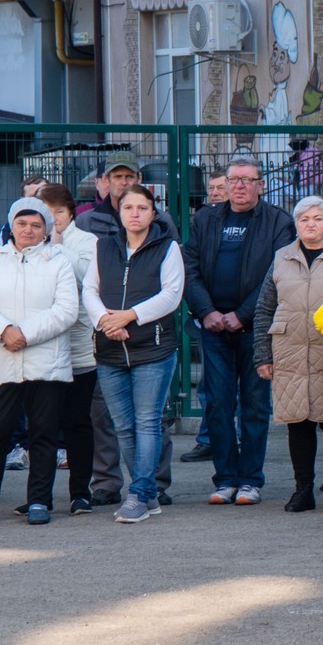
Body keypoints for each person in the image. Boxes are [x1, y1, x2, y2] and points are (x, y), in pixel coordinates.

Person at [186, 157, 294, 506]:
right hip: (213, 327)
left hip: (256, 327)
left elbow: (276, 273)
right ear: (226, 183)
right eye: (234, 179)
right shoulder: (205, 218)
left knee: (255, 404)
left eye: (248, 180)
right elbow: (189, 268)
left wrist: (243, 314)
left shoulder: (278, 221)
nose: (240, 186)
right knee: (217, 404)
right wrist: (207, 311)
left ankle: (250, 480)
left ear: (261, 184)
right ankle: (225, 479)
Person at [0, 198, 78, 525]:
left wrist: (24, 333)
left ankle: (39, 500)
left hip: (46, 362)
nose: (28, 230)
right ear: (11, 225)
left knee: (43, 431)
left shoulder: (58, 261)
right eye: (22, 223)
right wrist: (4, 331)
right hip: (3, 360)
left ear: (46, 230)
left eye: (36, 225)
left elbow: (66, 310)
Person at [84, 184, 184, 525]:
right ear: (119, 213)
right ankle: (147, 495)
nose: (136, 213)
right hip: (110, 348)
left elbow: (172, 295)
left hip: (152, 349)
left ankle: (138, 493)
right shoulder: (103, 248)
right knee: (123, 427)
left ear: (153, 213)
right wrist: (105, 321)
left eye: (143, 207)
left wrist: (130, 315)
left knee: (147, 422)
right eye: (129, 208)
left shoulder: (167, 248)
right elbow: (89, 290)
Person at [254, 196, 323, 512]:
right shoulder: (281, 258)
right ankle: (303, 490)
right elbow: (264, 307)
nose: (309, 225)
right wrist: (262, 355)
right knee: (297, 423)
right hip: (289, 351)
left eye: (316, 219)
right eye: (303, 219)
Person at [41, 185, 99, 514]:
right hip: (43, 346)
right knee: (44, 423)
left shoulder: (86, 242)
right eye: (47, 214)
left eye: (58, 213)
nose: (53, 221)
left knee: (77, 422)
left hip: (79, 344)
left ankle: (80, 492)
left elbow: (86, 278)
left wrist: (59, 248)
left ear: (71, 213)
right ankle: (41, 495)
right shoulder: (30, 238)